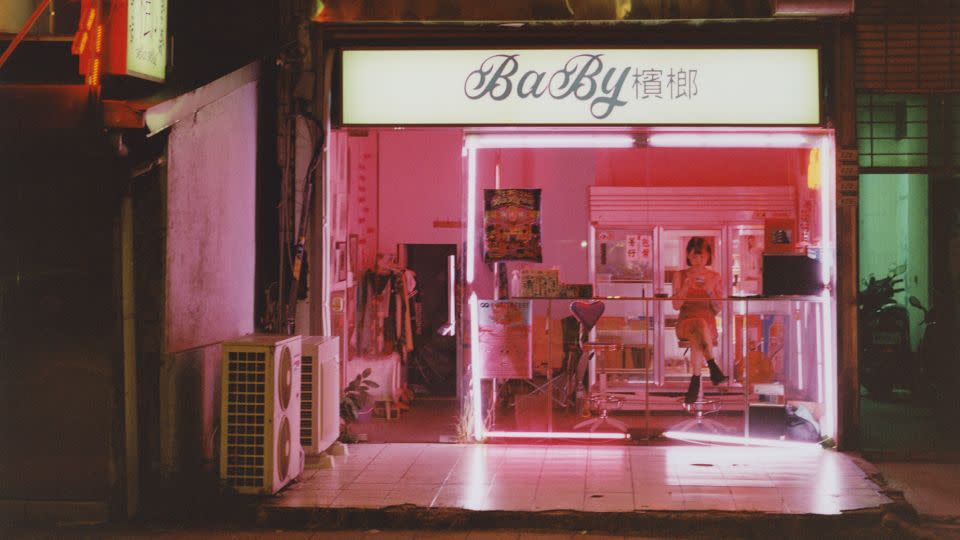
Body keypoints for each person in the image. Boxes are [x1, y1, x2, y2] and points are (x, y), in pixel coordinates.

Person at [672, 237, 728, 404]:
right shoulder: (680, 275)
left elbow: (718, 308)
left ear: (708, 257)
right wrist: (685, 287)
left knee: (700, 329)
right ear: (688, 256)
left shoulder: (715, 277)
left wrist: (710, 291)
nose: (698, 260)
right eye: (694, 256)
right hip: (685, 324)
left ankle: (696, 380)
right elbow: (676, 305)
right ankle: (712, 366)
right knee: (698, 325)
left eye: (701, 257)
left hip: (707, 328)